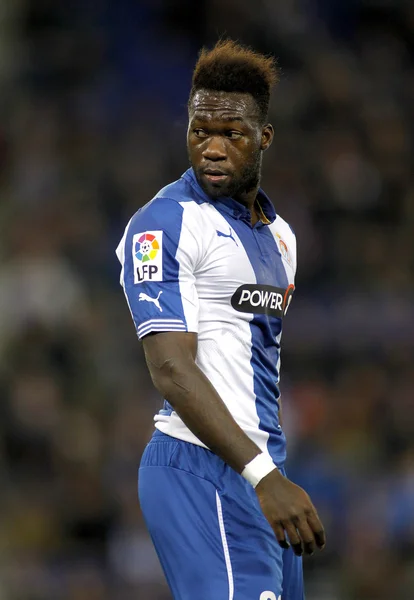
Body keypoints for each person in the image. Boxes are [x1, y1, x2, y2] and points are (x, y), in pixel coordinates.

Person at [116, 39, 325, 600]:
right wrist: (264, 477)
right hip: (200, 465)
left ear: (264, 137)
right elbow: (170, 369)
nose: (211, 148)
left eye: (230, 134)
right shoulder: (162, 225)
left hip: (261, 468)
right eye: (199, 131)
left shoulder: (281, 238)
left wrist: (268, 472)